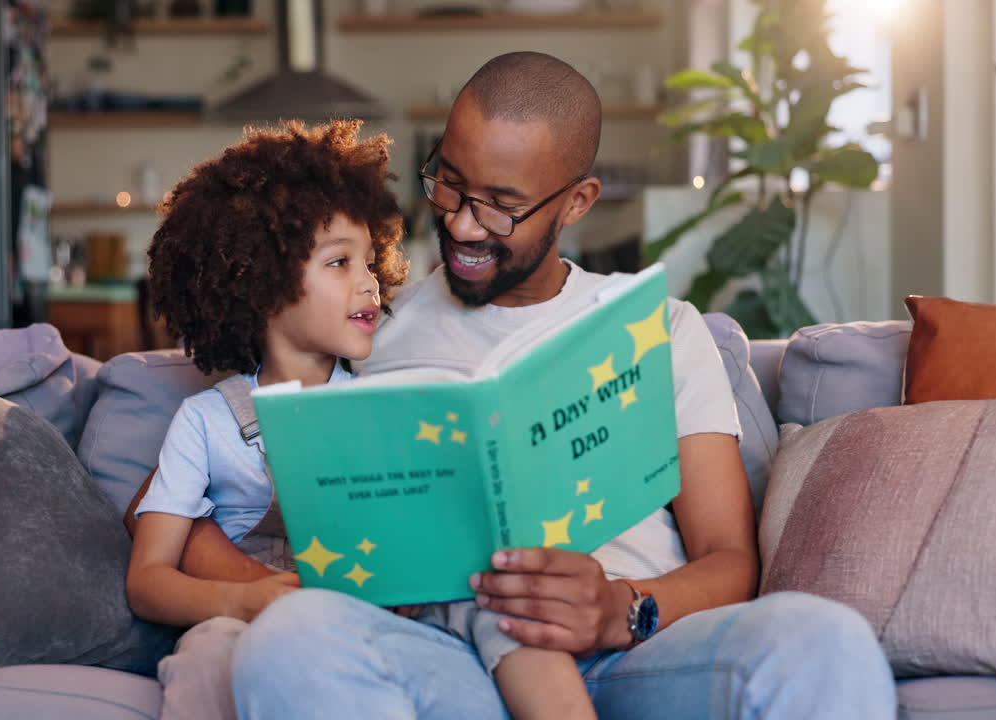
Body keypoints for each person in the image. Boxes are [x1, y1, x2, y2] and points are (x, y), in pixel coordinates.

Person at [178, 53, 898, 719]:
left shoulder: (657, 330)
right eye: (449, 181)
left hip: (641, 654)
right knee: (290, 635)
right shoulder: (364, 334)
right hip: (458, 659)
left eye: (500, 204)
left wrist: (618, 608)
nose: (461, 222)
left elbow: (729, 560)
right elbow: (204, 499)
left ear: (577, 201)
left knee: (823, 638)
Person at [125, 120, 409, 720]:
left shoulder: (388, 404)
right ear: (266, 286)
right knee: (208, 661)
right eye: (339, 263)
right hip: (232, 620)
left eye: (369, 260)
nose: (369, 282)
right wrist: (241, 601)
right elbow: (147, 580)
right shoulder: (205, 421)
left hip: (354, 624)